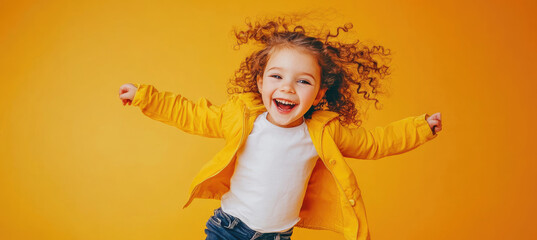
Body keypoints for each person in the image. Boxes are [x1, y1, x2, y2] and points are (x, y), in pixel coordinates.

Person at [118, 16, 442, 240]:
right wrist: (145, 97)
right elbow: (191, 114)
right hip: (227, 228)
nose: (287, 88)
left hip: (278, 235)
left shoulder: (322, 134)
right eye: (276, 77)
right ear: (260, 82)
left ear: (319, 93)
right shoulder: (243, 118)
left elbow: (374, 142)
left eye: (303, 81)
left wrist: (420, 128)